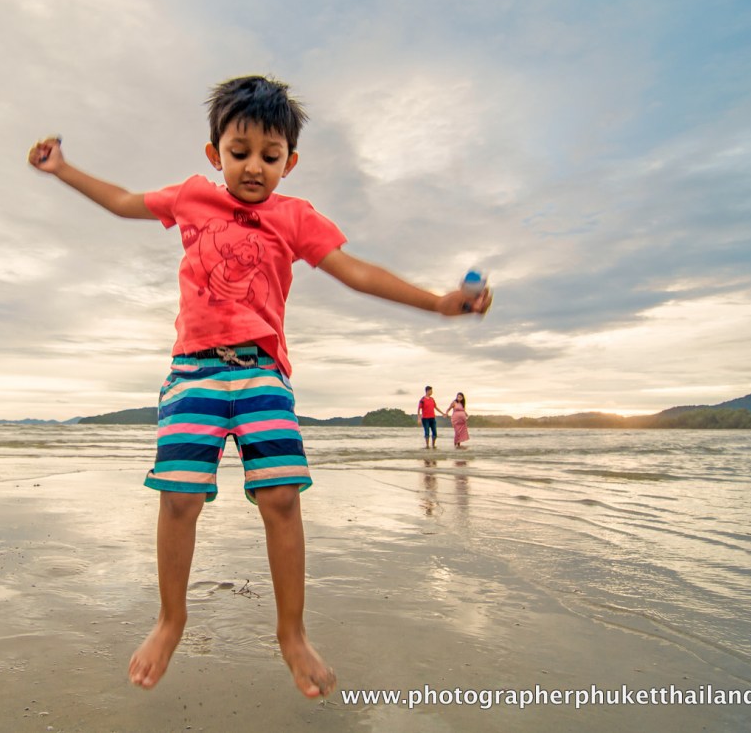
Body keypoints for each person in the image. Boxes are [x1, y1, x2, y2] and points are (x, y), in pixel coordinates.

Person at [27, 75, 491, 699]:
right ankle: (170, 620)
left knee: (281, 499)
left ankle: (292, 634)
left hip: (261, 373)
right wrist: (62, 169)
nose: (253, 167)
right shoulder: (192, 197)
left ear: (289, 162)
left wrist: (436, 302)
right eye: (239, 152)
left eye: (270, 156)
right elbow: (123, 201)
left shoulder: (294, 217)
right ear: (214, 153)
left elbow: (355, 272)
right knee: (178, 499)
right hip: (193, 371)